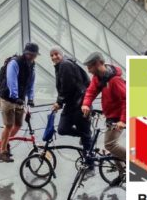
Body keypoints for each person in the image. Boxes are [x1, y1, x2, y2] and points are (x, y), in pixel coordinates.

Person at [81, 52, 126, 181]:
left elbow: (126, 100)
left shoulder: (115, 80)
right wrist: (86, 104)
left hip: (118, 116)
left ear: (98, 64)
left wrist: (122, 121)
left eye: (90, 66)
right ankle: (122, 173)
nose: (88, 70)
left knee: (110, 144)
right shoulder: (99, 77)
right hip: (111, 115)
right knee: (111, 146)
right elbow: (91, 91)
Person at [0, 43, 38, 162]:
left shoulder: (32, 66)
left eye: (33, 54)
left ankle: (3, 142)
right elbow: (11, 80)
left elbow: (31, 84)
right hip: (7, 98)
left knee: (18, 124)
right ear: (25, 52)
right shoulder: (15, 62)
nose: (31, 56)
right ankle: (2, 152)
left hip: (19, 99)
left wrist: (30, 98)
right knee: (9, 125)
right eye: (29, 53)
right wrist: (15, 96)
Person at [49, 48, 92, 153]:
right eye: (51, 55)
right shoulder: (62, 65)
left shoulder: (65, 64)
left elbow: (67, 86)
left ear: (61, 54)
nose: (54, 57)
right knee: (62, 129)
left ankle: (90, 165)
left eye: (56, 54)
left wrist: (59, 102)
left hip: (79, 104)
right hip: (72, 103)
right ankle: (85, 135)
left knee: (83, 136)